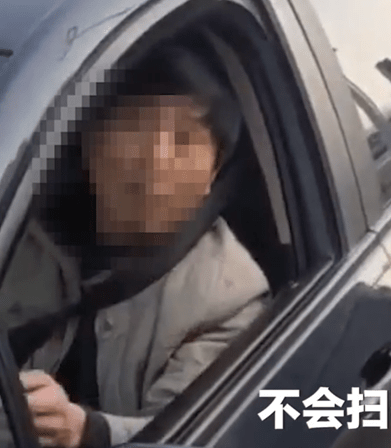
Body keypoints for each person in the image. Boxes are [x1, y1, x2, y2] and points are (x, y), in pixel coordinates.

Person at [6, 52, 270, 448]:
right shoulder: (18, 227)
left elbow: (188, 432)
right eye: (135, 127)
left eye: (184, 139)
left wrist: (87, 431)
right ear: (90, 147)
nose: (156, 160)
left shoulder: (231, 299)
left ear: (212, 174)